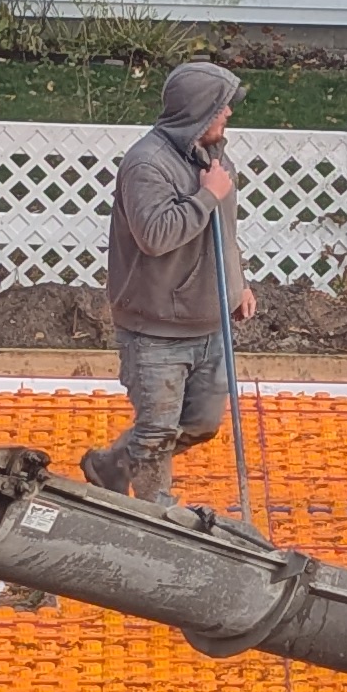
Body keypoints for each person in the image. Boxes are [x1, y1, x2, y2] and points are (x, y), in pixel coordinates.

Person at [86, 54, 244, 500]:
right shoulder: (146, 165)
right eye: (222, 106)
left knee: (202, 424)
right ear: (197, 112)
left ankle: (112, 463)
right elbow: (156, 235)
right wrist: (205, 196)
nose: (230, 114)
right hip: (155, 327)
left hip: (211, 322)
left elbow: (225, 230)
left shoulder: (214, 156)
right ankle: (159, 518)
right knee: (156, 433)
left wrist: (237, 284)